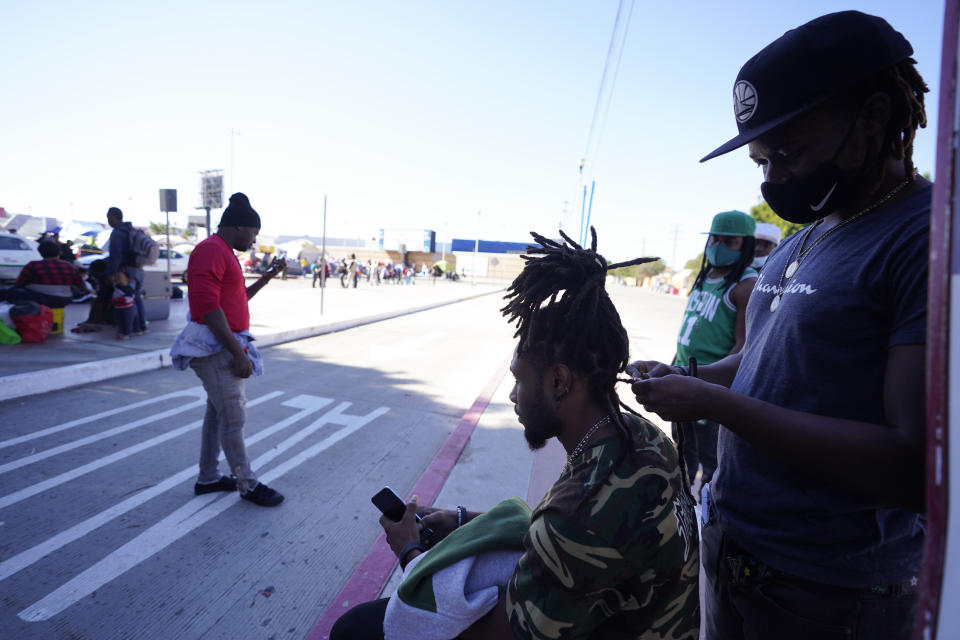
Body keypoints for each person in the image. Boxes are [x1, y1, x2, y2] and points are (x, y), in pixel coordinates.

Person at [630, 11, 929, 639]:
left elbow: (910, 464)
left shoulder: (925, 238)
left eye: (788, 153)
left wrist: (714, 403)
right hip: (737, 551)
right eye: (761, 162)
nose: (773, 179)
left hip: (829, 592)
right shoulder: (803, 239)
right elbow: (767, 356)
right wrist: (690, 376)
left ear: (873, 118)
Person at [332, 229, 700, 640]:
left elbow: (492, 635)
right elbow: (565, 533)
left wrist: (410, 553)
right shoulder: (638, 436)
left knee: (355, 630)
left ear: (559, 382)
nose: (512, 395)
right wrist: (462, 522)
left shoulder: (582, 508)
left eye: (519, 380)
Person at [169, 192, 286, 507]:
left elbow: (235, 299)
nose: (254, 239)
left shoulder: (223, 251)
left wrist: (268, 277)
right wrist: (237, 352)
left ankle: (207, 478)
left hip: (224, 344)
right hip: (216, 348)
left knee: (217, 416)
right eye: (254, 232)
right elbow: (208, 308)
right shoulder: (211, 251)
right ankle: (247, 484)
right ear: (238, 226)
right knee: (233, 417)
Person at [672, 210, 757, 498]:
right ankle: (682, 502)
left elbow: (742, 345)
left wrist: (711, 387)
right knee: (683, 447)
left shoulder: (746, 285)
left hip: (710, 386)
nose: (718, 246)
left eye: (729, 242)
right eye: (714, 239)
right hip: (682, 375)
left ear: (744, 245)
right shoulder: (704, 275)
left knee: (711, 457)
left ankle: (708, 513)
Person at [0, 240, 85, 307]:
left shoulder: (33, 265)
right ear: (60, 252)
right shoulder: (70, 266)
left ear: (40, 253)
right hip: (65, 299)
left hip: (39, 298)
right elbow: (79, 284)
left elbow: (19, 284)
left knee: (5, 292)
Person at [105, 207, 147, 336]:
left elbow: (115, 255)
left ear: (112, 217)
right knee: (137, 298)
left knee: (128, 300)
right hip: (139, 269)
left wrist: (111, 273)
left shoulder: (117, 233)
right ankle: (142, 327)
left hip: (128, 271)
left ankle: (131, 329)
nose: (108, 221)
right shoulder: (131, 230)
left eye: (108, 218)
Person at [110, 270, 137, 340]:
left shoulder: (129, 289)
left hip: (128, 308)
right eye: (116, 277)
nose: (117, 278)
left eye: (120, 277)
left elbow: (130, 298)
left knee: (127, 322)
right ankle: (121, 333)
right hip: (118, 308)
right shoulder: (116, 286)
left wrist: (119, 299)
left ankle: (127, 334)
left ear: (127, 279)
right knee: (120, 321)